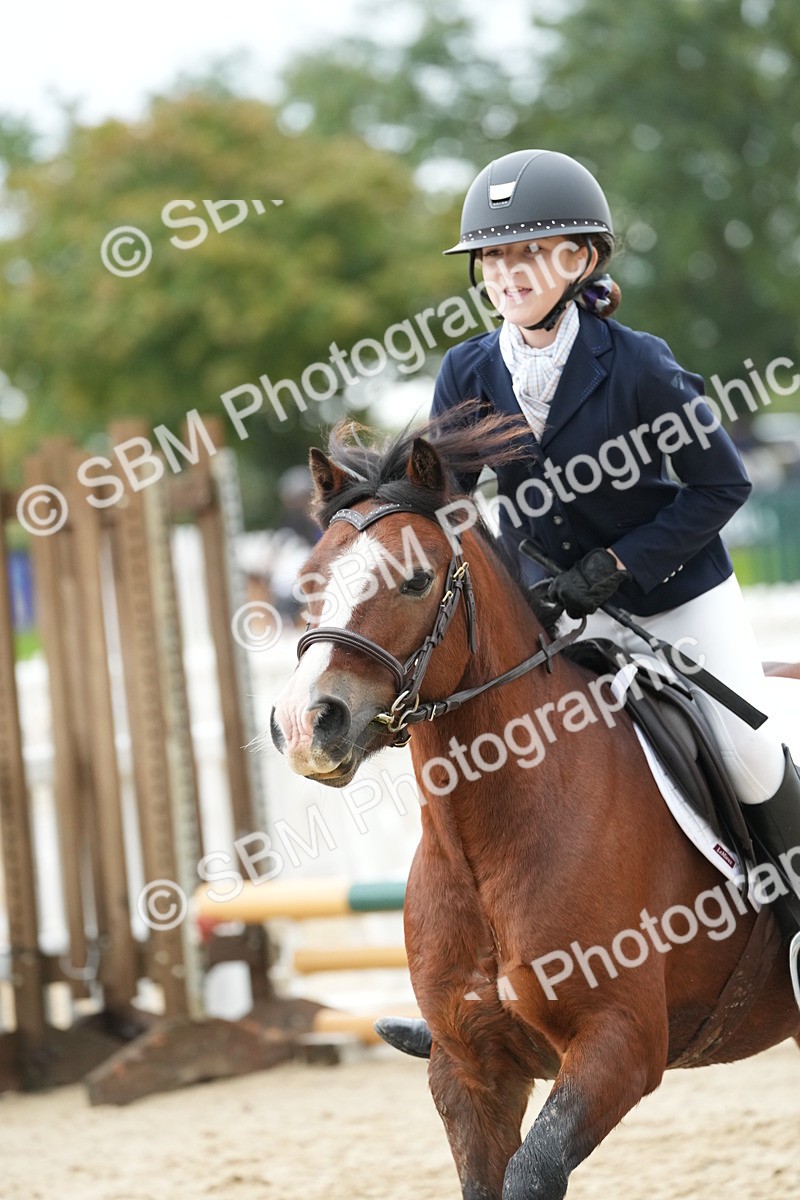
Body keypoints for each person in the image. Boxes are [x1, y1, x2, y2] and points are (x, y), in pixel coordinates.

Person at [376, 148, 800, 1058]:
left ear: (580, 262)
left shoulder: (639, 366)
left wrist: (619, 565)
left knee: (750, 755)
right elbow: (455, 510)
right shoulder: (466, 372)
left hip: (678, 598)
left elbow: (720, 485)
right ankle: (470, 983)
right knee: (467, 756)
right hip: (549, 611)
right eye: (491, 260)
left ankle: (795, 941)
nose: (505, 276)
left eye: (526, 254)